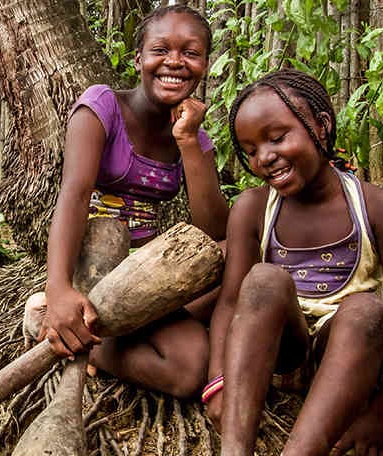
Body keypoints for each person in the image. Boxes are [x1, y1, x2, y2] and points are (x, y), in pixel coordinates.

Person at [181, 69, 383, 456]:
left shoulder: (379, 208)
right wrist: (218, 379)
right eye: (251, 150)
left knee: (368, 310)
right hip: (280, 354)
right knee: (263, 280)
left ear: (320, 125)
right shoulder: (253, 209)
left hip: (347, 360)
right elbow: (232, 304)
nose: (266, 158)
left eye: (277, 138)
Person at [24, 4, 229, 399]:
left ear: (205, 63)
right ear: (138, 58)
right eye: (160, 50)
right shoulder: (102, 106)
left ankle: (99, 339)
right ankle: (53, 317)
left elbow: (213, 232)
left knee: (235, 253)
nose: (175, 62)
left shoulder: (194, 135)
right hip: (96, 266)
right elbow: (74, 194)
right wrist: (59, 288)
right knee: (187, 368)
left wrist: (188, 142)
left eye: (191, 52)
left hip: (145, 275)